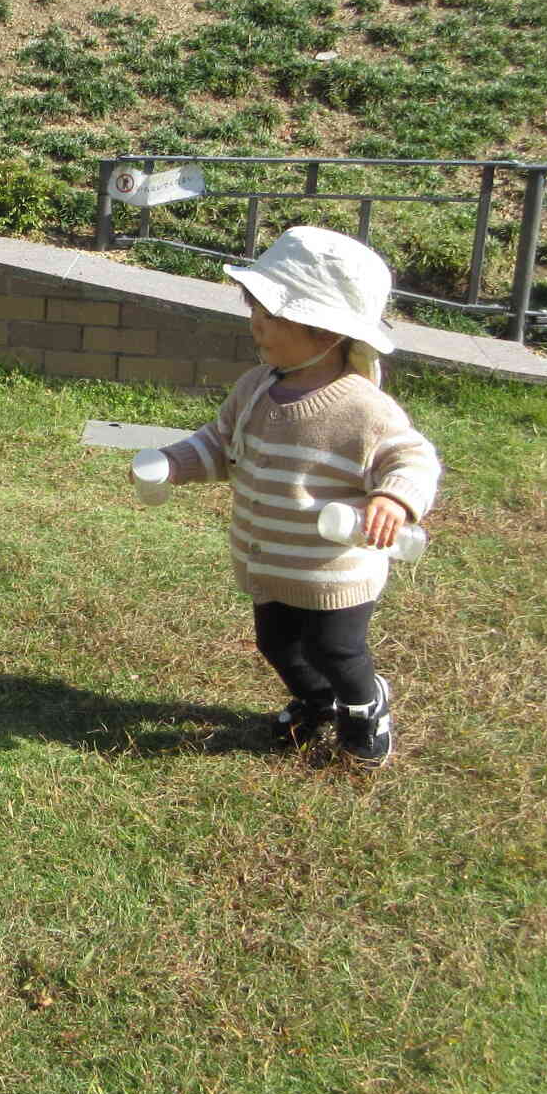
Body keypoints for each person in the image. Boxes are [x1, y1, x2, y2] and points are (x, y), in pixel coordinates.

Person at [141, 227, 440, 766]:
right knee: (277, 643)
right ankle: (315, 700)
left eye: (273, 313)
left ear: (327, 330)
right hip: (268, 558)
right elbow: (220, 444)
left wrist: (394, 500)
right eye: (255, 306)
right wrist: (172, 463)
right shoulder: (255, 386)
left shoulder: (363, 408)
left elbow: (411, 457)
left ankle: (364, 706)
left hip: (334, 569)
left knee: (336, 649)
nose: (257, 321)